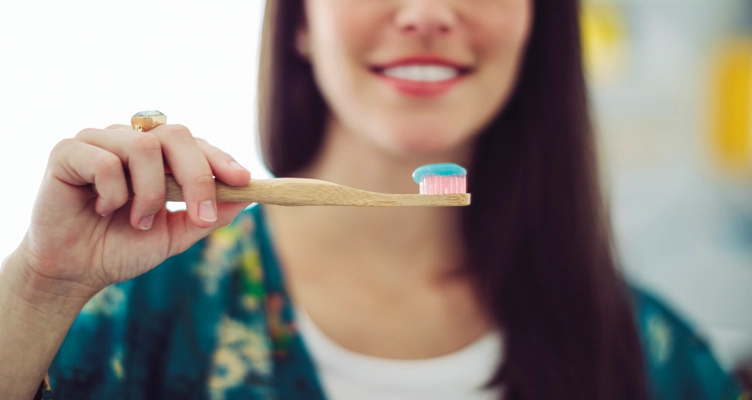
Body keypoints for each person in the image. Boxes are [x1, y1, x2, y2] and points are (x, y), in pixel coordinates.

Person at [0, 0, 746, 399]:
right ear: (300, 21)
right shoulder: (133, 314)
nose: (425, 11)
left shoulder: (656, 361)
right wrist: (39, 285)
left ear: (536, 25)